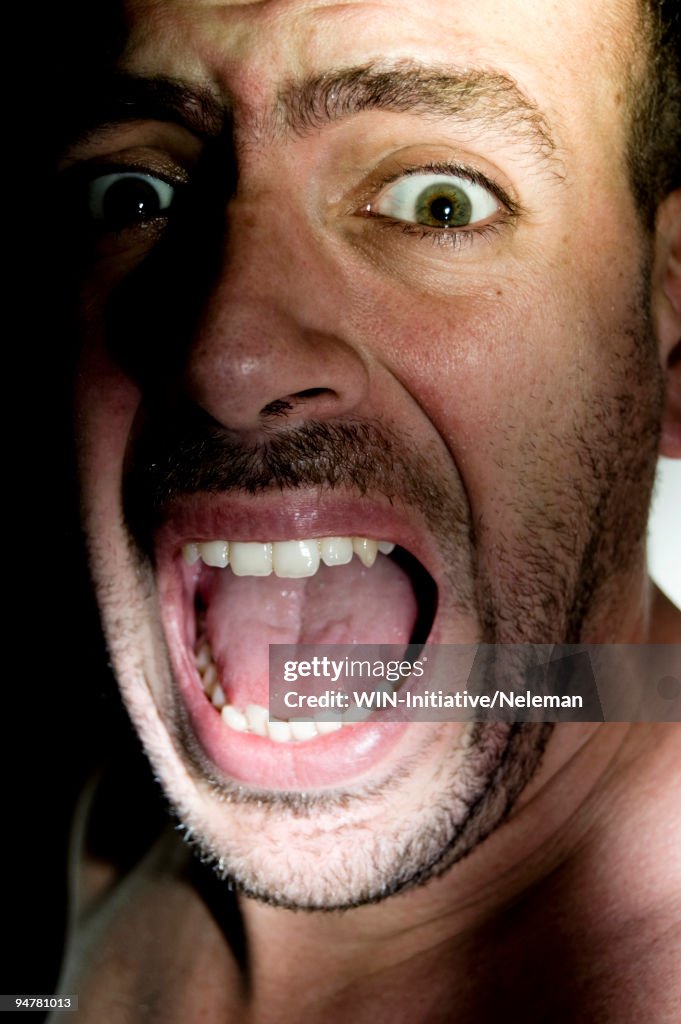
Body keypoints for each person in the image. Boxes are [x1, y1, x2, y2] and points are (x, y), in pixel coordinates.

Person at [47, 0, 680, 1019]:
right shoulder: (98, 819)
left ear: (674, 338)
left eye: (440, 203)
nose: (226, 358)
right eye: (136, 196)